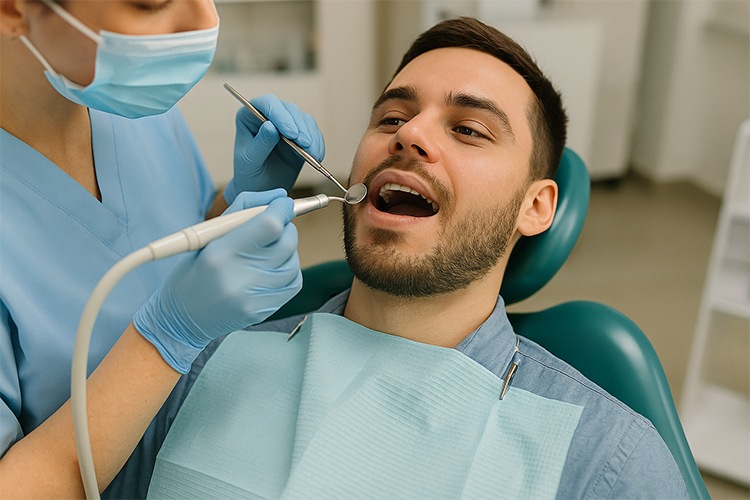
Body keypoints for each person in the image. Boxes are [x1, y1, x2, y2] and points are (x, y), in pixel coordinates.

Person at [148, 17, 690, 499]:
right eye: (390, 118)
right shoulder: (200, 366)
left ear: (536, 206)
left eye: (469, 130)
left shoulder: (608, 463)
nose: (409, 134)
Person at [0, 0, 325, 497]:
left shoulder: (130, 107)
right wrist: (165, 338)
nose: (204, 21)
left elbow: (174, 246)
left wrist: (232, 206)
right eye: (151, 2)